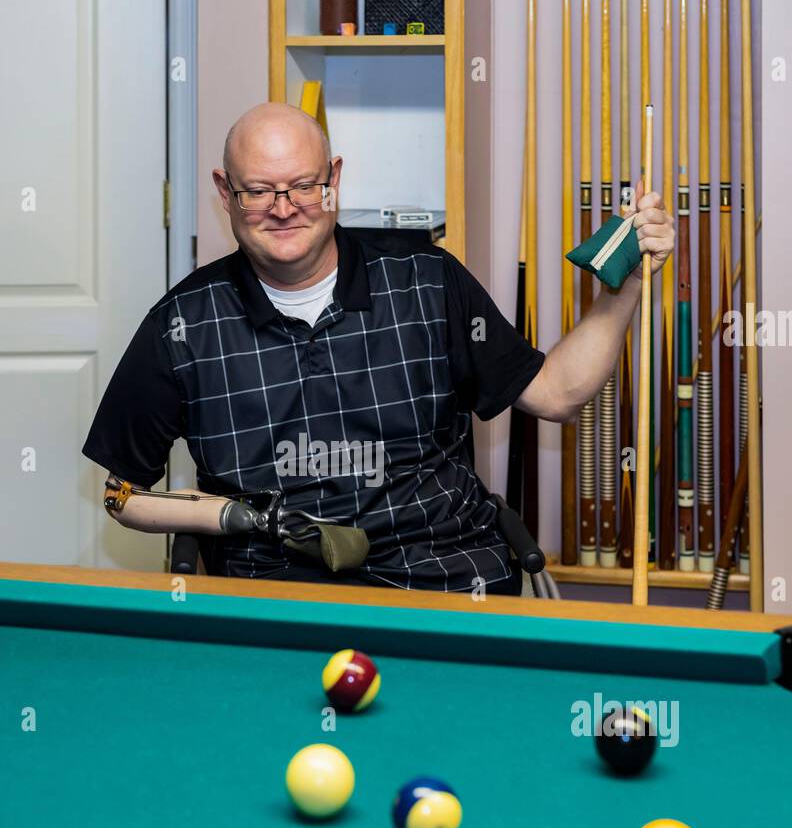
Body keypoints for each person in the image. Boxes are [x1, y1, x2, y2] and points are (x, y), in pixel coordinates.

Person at [83, 103, 672, 594]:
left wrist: (629, 286)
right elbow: (121, 494)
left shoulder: (428, 281)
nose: (284, 208)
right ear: (225, 192)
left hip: (443, 578)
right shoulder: (183, 322)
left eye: (304, 186)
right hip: (274, 594)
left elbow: (559, 394)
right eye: (259, 191)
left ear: (334, 180)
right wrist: (236, 517)